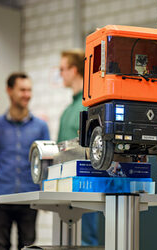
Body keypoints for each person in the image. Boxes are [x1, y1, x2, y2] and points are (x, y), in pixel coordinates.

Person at [0, 73, 50, 250]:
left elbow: (47, 162)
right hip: (1, 196)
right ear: (10, 91)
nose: (27, 94)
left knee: (28, 244)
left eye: (29, 90)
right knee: (0, 244)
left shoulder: (41, 127)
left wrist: (47, 193)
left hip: (30, 196)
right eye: (22, 90)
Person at [58, 49, 100, 246]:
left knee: (85, 240)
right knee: (66, 239)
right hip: (65, 185)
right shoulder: (68, 110)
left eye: (62, 69)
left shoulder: (89, 107)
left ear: (74, 70)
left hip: (86, 184)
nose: (60, 74)